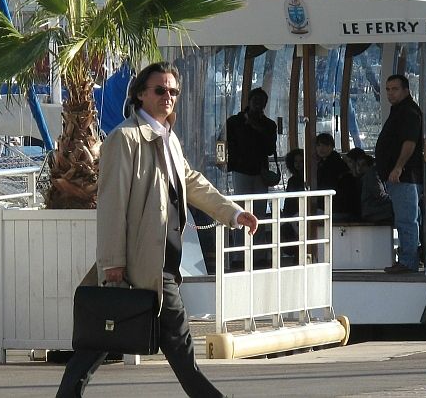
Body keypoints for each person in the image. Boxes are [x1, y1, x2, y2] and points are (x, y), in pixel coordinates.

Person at [57, 62, 258, 398]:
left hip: (164, 261)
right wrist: (112, 264)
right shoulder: (125, 138)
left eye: (173, 91)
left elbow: (191, 182)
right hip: (142, 263)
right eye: (160, 90)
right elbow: (111, 206)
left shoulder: (168, 137)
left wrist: (234, 213)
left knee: (103, 340)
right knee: (175, 342)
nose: (168, 97)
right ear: (140, 94)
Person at [375, 74, 424, 274]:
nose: (390, 93)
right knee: (407, 219)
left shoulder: (409, 112)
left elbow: (409, 142)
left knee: (406, 220)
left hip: (404, 177)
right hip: (398, 177)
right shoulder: (399, 111)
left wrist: (398, 167)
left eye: (394, 89)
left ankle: (408, 262)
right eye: (387, 89)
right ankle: (408, 258)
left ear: (405, 90)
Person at [224, 87, 278, 216]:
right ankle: (241, 236)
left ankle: (257, 236)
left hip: (258, 172)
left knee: (258, 211)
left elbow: (270, 149)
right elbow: (222, 142)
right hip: (242, 169)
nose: (258, 103)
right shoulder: (234, 122)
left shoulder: (269, 125)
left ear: (265, 104)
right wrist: (225, 162)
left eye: (261, 101)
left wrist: (256, 127)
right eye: (256, 100)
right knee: (241, 211)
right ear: (249, 101)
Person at [314, 133, 359, 221]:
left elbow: (327, 186)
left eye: (325, 145)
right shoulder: (326, 163)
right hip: (337, 207)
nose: (321, 148)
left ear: (332, 146)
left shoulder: (333, 165)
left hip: (337, 208)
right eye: (318, 145)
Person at [345, 148, 393, 224]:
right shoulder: (372, 175)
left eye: (363, 165)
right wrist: (396, 200)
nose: (359, 168)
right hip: (372, 212)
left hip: (367, 211)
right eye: (358, 165)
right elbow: (380, 195)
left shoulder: (362, 178)